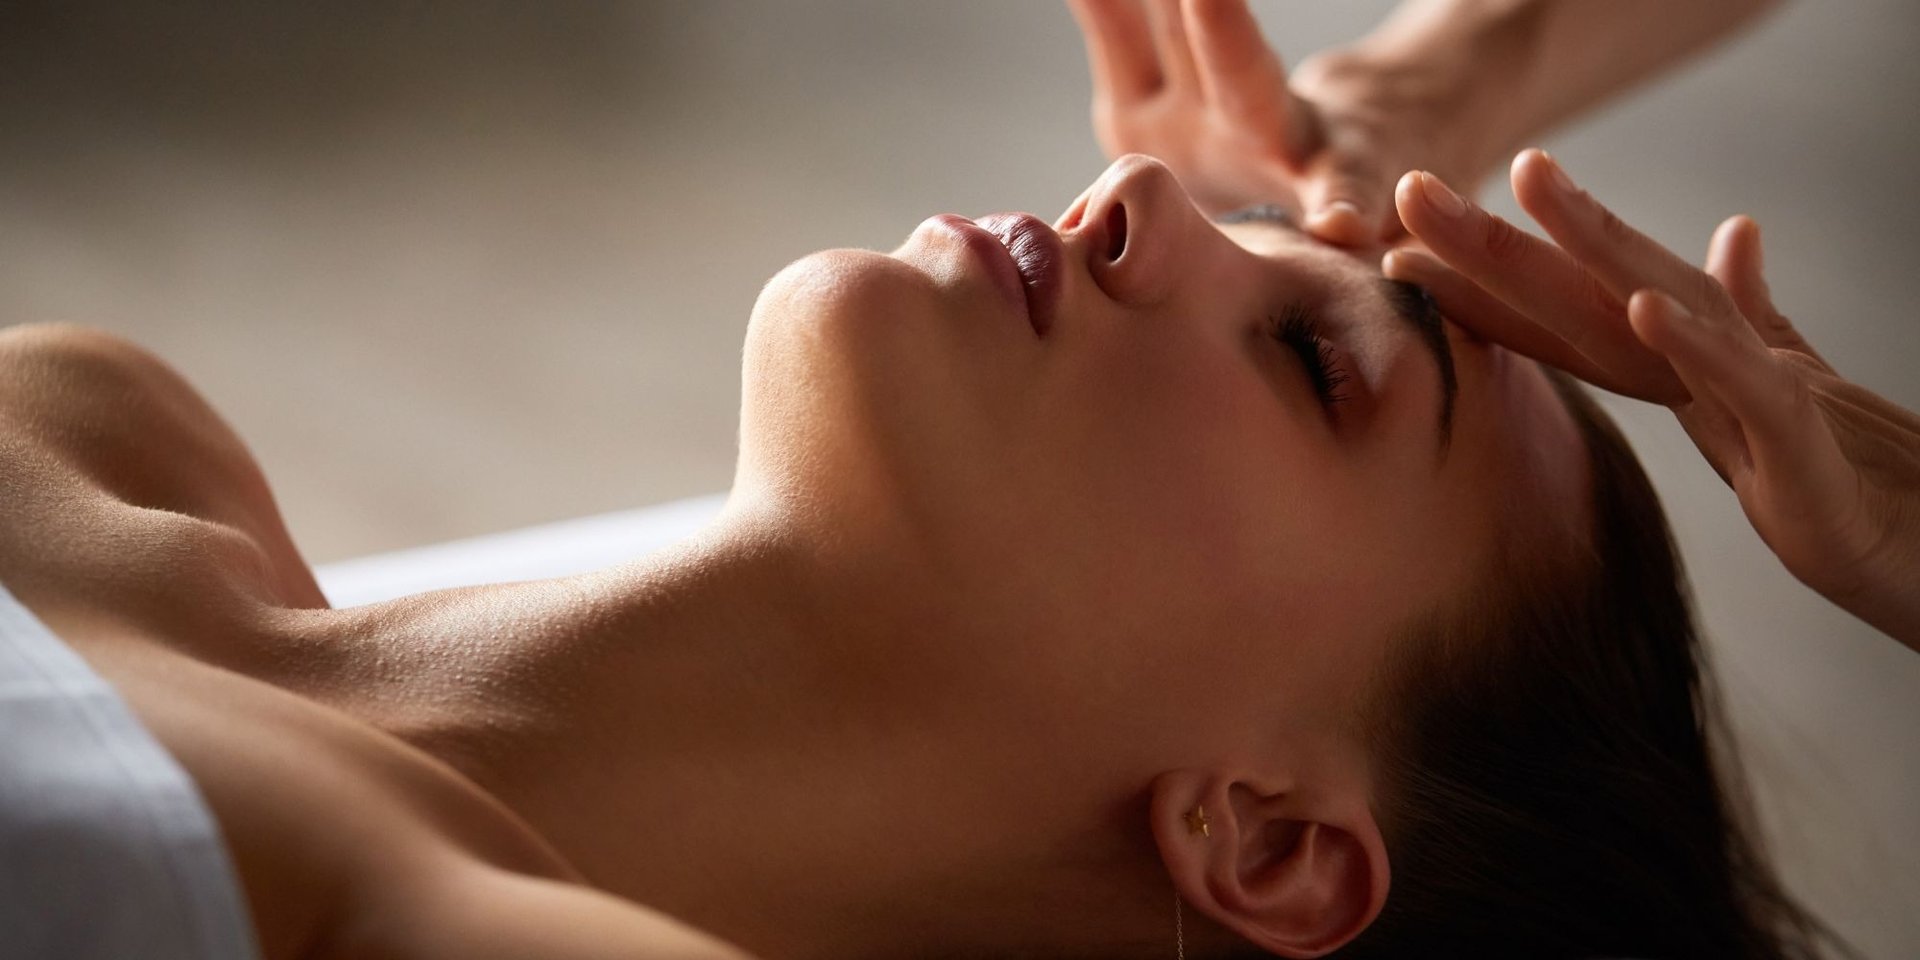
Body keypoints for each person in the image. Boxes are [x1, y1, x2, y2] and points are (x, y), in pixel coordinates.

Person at [0, 6, 1911, 960]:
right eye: (1266, 242)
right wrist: (1422, 92)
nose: (1141, 193)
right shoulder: (104, 425)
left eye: (1312, 362)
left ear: (1264, 840)